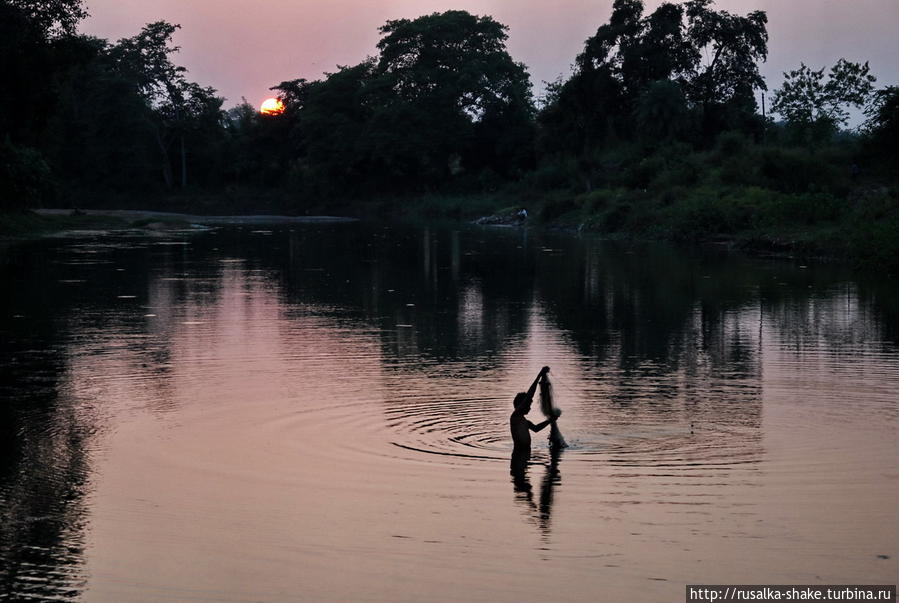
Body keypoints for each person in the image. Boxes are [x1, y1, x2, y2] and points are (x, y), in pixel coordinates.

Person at [510, 366, 559, 455]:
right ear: (520, 405)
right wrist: (539, 375)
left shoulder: (524, 421)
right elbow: (529, 395)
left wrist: (550, 421)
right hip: (519, 454)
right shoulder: (515, 416)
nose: (529, 408)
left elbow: (536, 428)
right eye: (528, 405)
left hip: (526, 453)